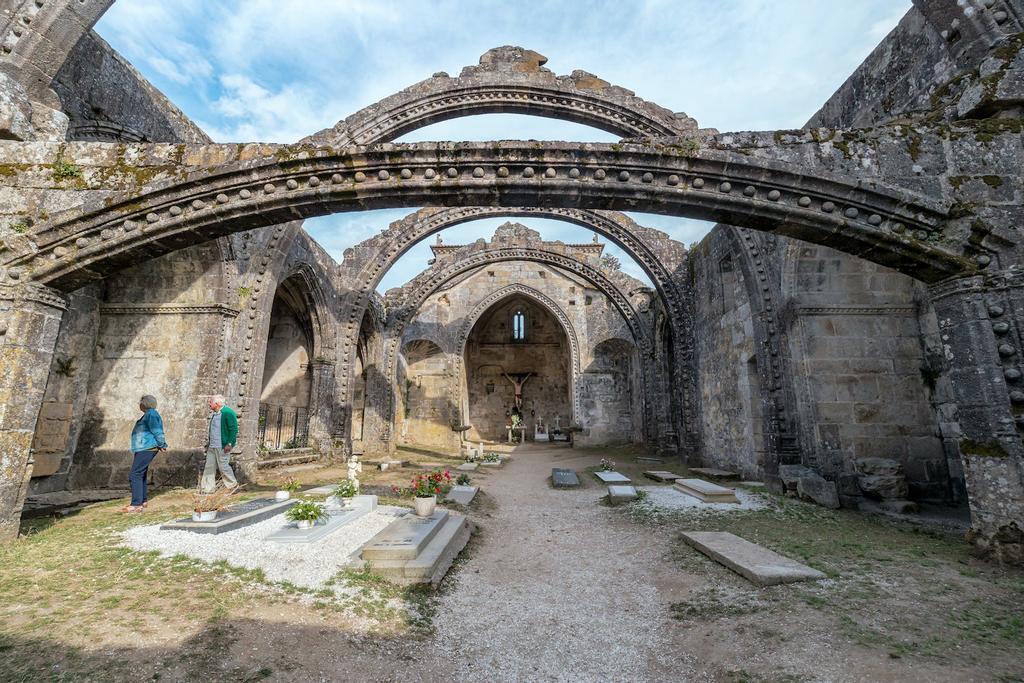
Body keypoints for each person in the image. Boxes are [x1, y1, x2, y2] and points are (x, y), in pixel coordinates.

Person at [122, 394, 167, 513]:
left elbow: (157, 430)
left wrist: (162, 444)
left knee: (134, 474)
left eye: (140, 402)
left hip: (147, 447)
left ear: (144, 404)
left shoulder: (151, 414)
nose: (139, 405)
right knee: (140, 474)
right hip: (143, 447)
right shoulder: (148, 414)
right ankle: (142, 501)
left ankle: (136, 504)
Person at [201, 394, 239, 491]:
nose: (209, 404)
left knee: (223, 466)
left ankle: (233, 485)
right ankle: (207, 489)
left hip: (222, 445)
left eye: (211, 402)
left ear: (217, 404)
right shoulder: (215, 414)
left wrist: (229, 443)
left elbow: (233, 429)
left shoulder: (228, 412)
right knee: (209, 466)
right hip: (213, 445)